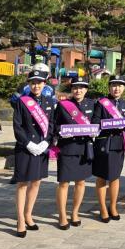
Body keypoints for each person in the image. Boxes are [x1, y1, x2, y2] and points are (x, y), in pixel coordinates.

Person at [12, 69, 55, 237]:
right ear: (29, 84)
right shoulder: (22, 102)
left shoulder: (49, 101)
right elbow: (17, 126)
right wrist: (28, 143)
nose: (36, 85)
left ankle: (28, 215)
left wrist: (46, 142)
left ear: (44, 84)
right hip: (25, 147)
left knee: (36, 182)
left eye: (39, 82)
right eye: (33, 82)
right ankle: (20, 220)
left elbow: (51, 125)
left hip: (41, 148)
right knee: (22, 183)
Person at [54, 76, 95, 229]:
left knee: (81, 182)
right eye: (75, 87)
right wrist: (61, 131)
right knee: (64, 183)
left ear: (86, 89)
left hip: (84, 149)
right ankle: (62, 215)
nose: (78, 90)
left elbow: (97, 122)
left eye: (81, 87)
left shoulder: (92, 104)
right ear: (71, 89)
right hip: (67, 148)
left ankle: (75, 213)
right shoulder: (63, 105)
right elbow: (54, 125)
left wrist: (96, 130)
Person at [91, 75, 125, 222]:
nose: (116, 88)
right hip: (104, 144)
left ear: (124, 88)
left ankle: (113, 206)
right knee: (102, 177)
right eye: (114, 85)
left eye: (120, 85)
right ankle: (103, 208)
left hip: (119, 145)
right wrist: (111, 124)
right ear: (109, 87)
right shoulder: (101, 103)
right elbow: (95, 121)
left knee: (115, 177)